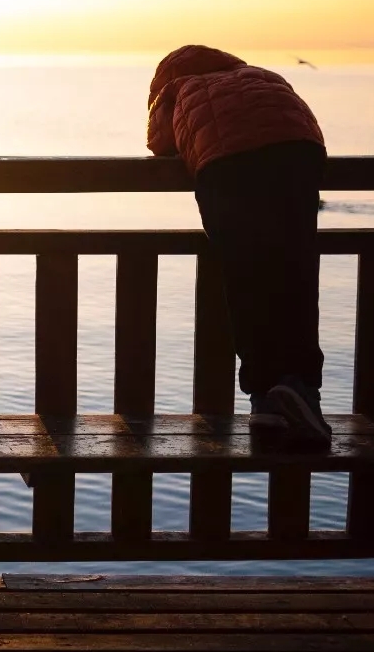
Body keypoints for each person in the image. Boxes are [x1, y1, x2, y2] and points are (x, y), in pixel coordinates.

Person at [147, 45, 330, 447]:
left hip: (227, 164)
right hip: (296, 153)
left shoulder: (178, 90)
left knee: (245, 276)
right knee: (295, 270)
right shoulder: (263, 75)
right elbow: (298, 117)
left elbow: (158, 142)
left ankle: (265, 400)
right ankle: (302, 391)